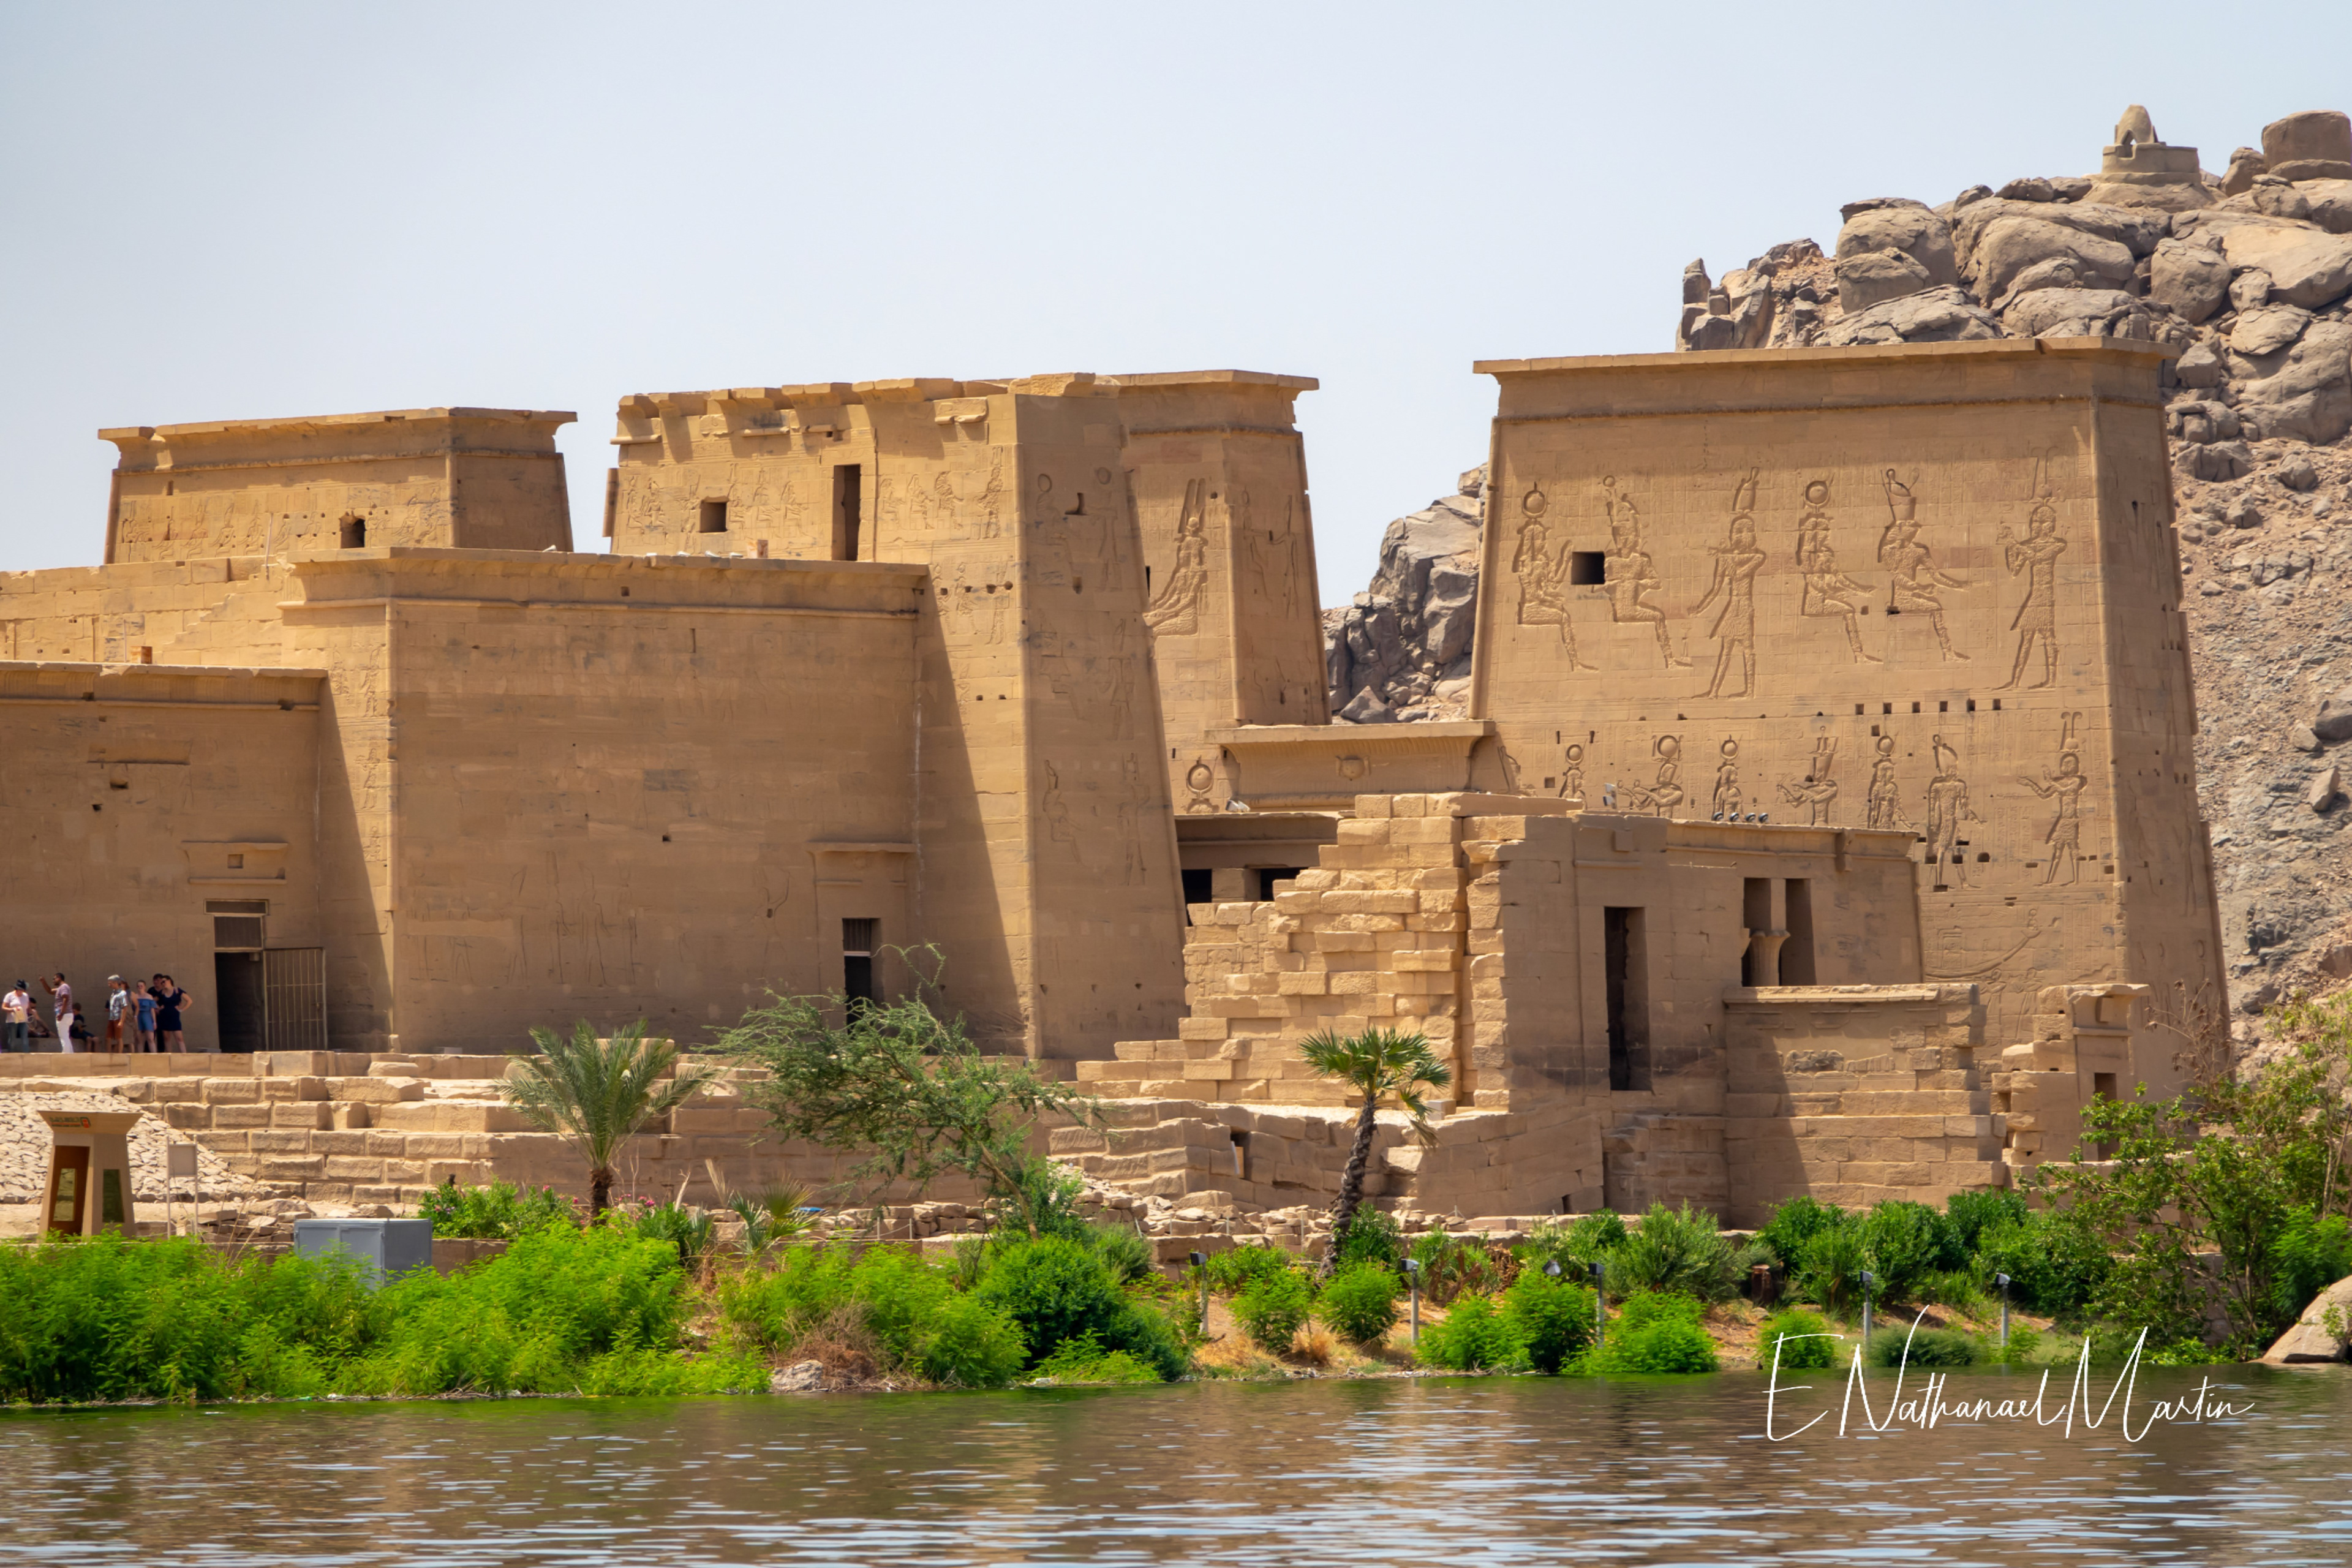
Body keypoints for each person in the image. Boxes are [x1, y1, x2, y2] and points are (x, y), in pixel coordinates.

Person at [153, 974, 189, 1052]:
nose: (162, 983)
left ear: (169, 981)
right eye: (161, 982)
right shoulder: (162, 992)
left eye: (164, 981)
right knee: (166, 1038)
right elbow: (152, 1000)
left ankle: (185, 1055)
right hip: (164, 1016)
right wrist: (159, 1008)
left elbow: (189, 1001)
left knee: (179, 1038)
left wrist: (182, 1010)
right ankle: (169, 1056)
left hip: (174, 1017)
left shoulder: (177, 990)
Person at [40, 974, 72, 1055]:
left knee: (63, 1037)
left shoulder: (63, 987)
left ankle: (66, 1055)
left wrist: (61, 1013)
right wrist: (43, 982)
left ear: (59, 978)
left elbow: (66, 999)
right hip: (67, 1015)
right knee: (66, 1036)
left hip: (64, 1015)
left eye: (54, 979)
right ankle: (71, 1053)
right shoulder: (61, 988)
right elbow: (50, 991)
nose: (53, 981)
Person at [105, 976, 131, 1055]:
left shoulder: (122, 993)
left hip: (118, 1018)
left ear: (116, 983)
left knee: (119, 1038)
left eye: (111, 983)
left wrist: (122, 1021)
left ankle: (119, 1054)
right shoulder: (113, 993)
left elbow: (125, 1007)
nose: (109, 984)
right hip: (111, 1018)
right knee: (108, 1037)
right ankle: (108, 1054)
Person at [1, 982, 29, 1054]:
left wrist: (33, 1013)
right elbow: (4, 1007)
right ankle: (11, 1055)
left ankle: (26, 1055)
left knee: (25, 1038)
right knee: (12, 1039)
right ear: (16, 989)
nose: (21, 991)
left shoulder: (26, 996)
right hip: (12, 1020)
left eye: (23, 990)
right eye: (20, 990)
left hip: (23, 1019)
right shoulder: (9, 996)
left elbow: (28, 1007)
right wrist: (13, 1010)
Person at [133, 980, 158, 1053]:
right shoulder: (135, 997)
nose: (140, 987)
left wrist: (155, 1022)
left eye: (142, 986)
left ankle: (155, 1056)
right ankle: (140, 1057)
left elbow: (152, 1010)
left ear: (145, 987)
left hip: (147, 1016)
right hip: (138, 1017)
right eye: (138, 986)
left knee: (151, 1039)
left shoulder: (149, 996)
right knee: (139, 1040)